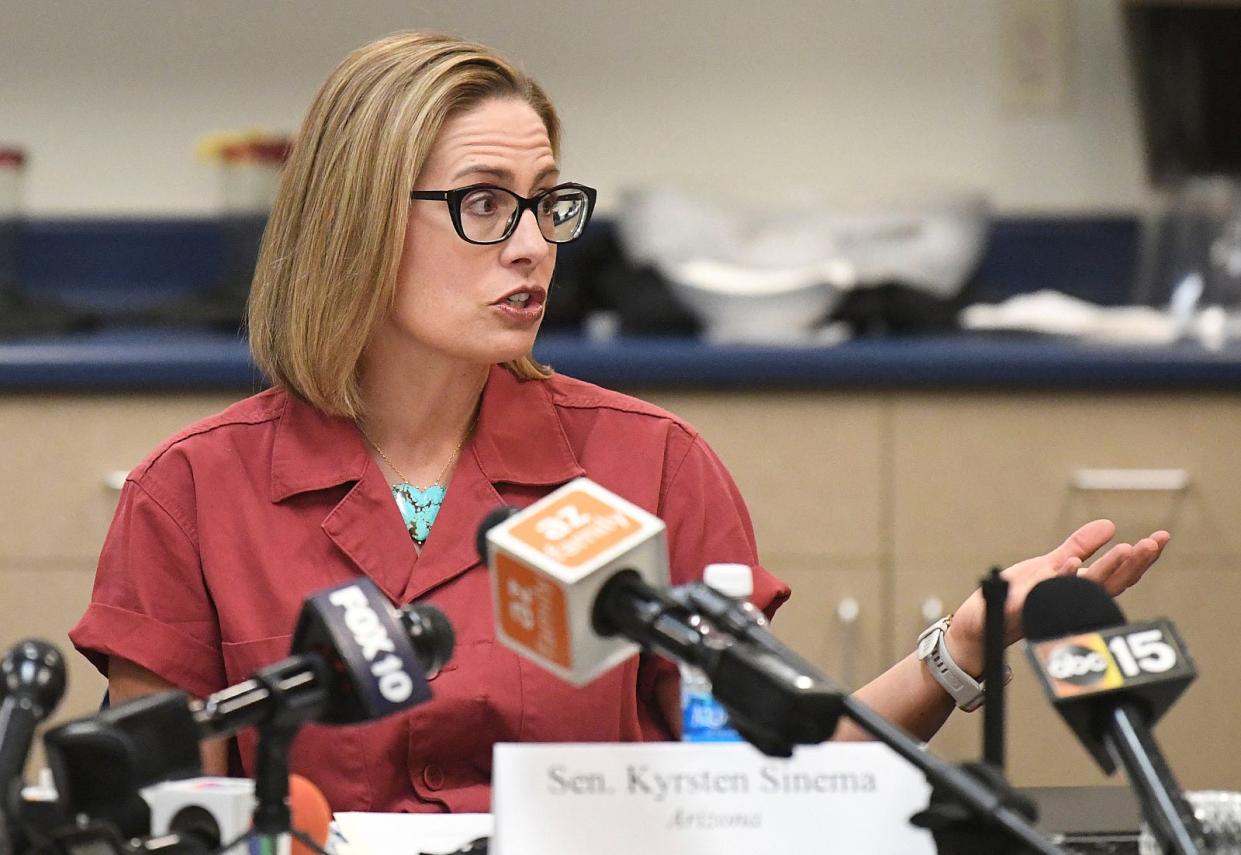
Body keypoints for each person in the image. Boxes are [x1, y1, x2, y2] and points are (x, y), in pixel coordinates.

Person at [69, 31, 1168, 814]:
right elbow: (147, 810)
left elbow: (770, 773)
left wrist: (959, 651)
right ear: (355, 224)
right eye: (484, 203)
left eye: (548, 201)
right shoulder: (194, 490)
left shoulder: (644, 465)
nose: (532, 245)